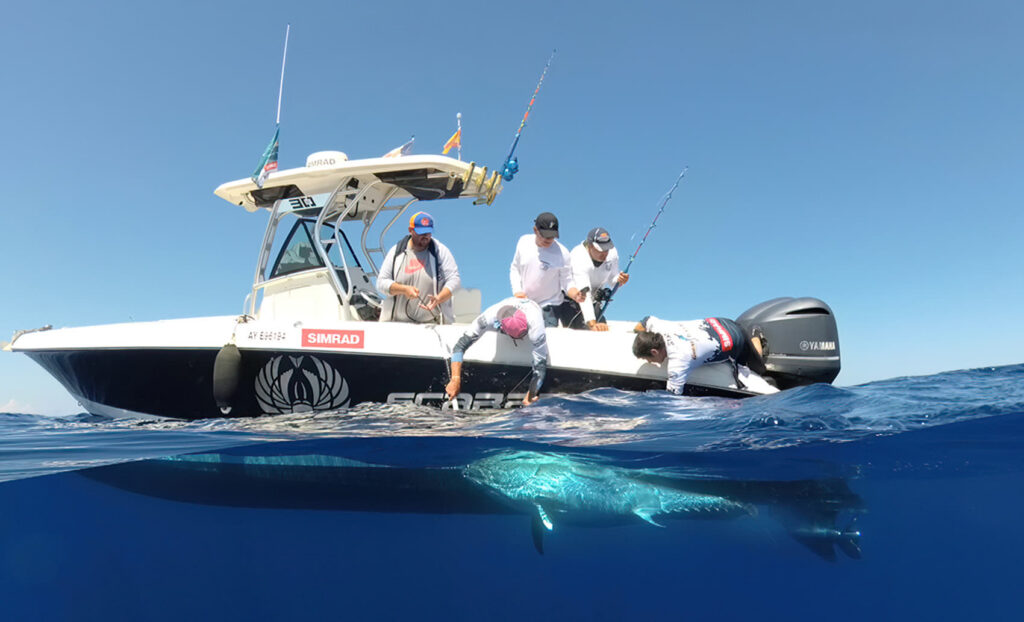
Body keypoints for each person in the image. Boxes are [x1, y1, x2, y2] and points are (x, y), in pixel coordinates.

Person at [632, 315, 778, 395]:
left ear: (654, 351)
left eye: (647, 359)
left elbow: (673, 399)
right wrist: (637, 333)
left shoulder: (678, 362)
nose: (649, 362)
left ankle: (754, 335)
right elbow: (645, 321)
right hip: (720, 321)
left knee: (759, 369)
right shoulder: (659, 326)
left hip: (735, 339)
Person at [445, 297, 549, 405]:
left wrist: (531, 395)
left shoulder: (536, 326)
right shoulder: (488, 317)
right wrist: (455, 379)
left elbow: (540, 366)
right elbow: (459, 346)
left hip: (535, 308)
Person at [375, 211, 460, 323]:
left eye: (428, 233)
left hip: (431, 324)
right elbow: (381, 283)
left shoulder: (440, 251)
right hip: (397, 324)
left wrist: (439, 298)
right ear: (411, 230)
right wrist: (404, 289)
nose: (425, 236)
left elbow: (454, 279)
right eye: (421, 233)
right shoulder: (396, 251)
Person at [509, 211, 582, 327]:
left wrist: (575, 294)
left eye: (552, 236)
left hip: (550, 305)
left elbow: (567, 281)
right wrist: (517, 291)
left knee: (547, 335)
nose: (548, 239)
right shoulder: (523, 242)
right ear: (535, 230)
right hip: (525, 303)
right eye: (545, 235)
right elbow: (515, 269)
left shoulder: (563, 253)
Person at [566, 227, 629, 331]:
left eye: (606, 249)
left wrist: (620, 280)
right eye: (600, 249)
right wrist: (592, 324)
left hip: (594, 300)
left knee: (603, 330)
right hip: (573, 300)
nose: (604, 253)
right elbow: (584, 294)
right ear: (590, 246)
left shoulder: (612, 253)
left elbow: (612, 280)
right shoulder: (578, 257)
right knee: (584, 330)